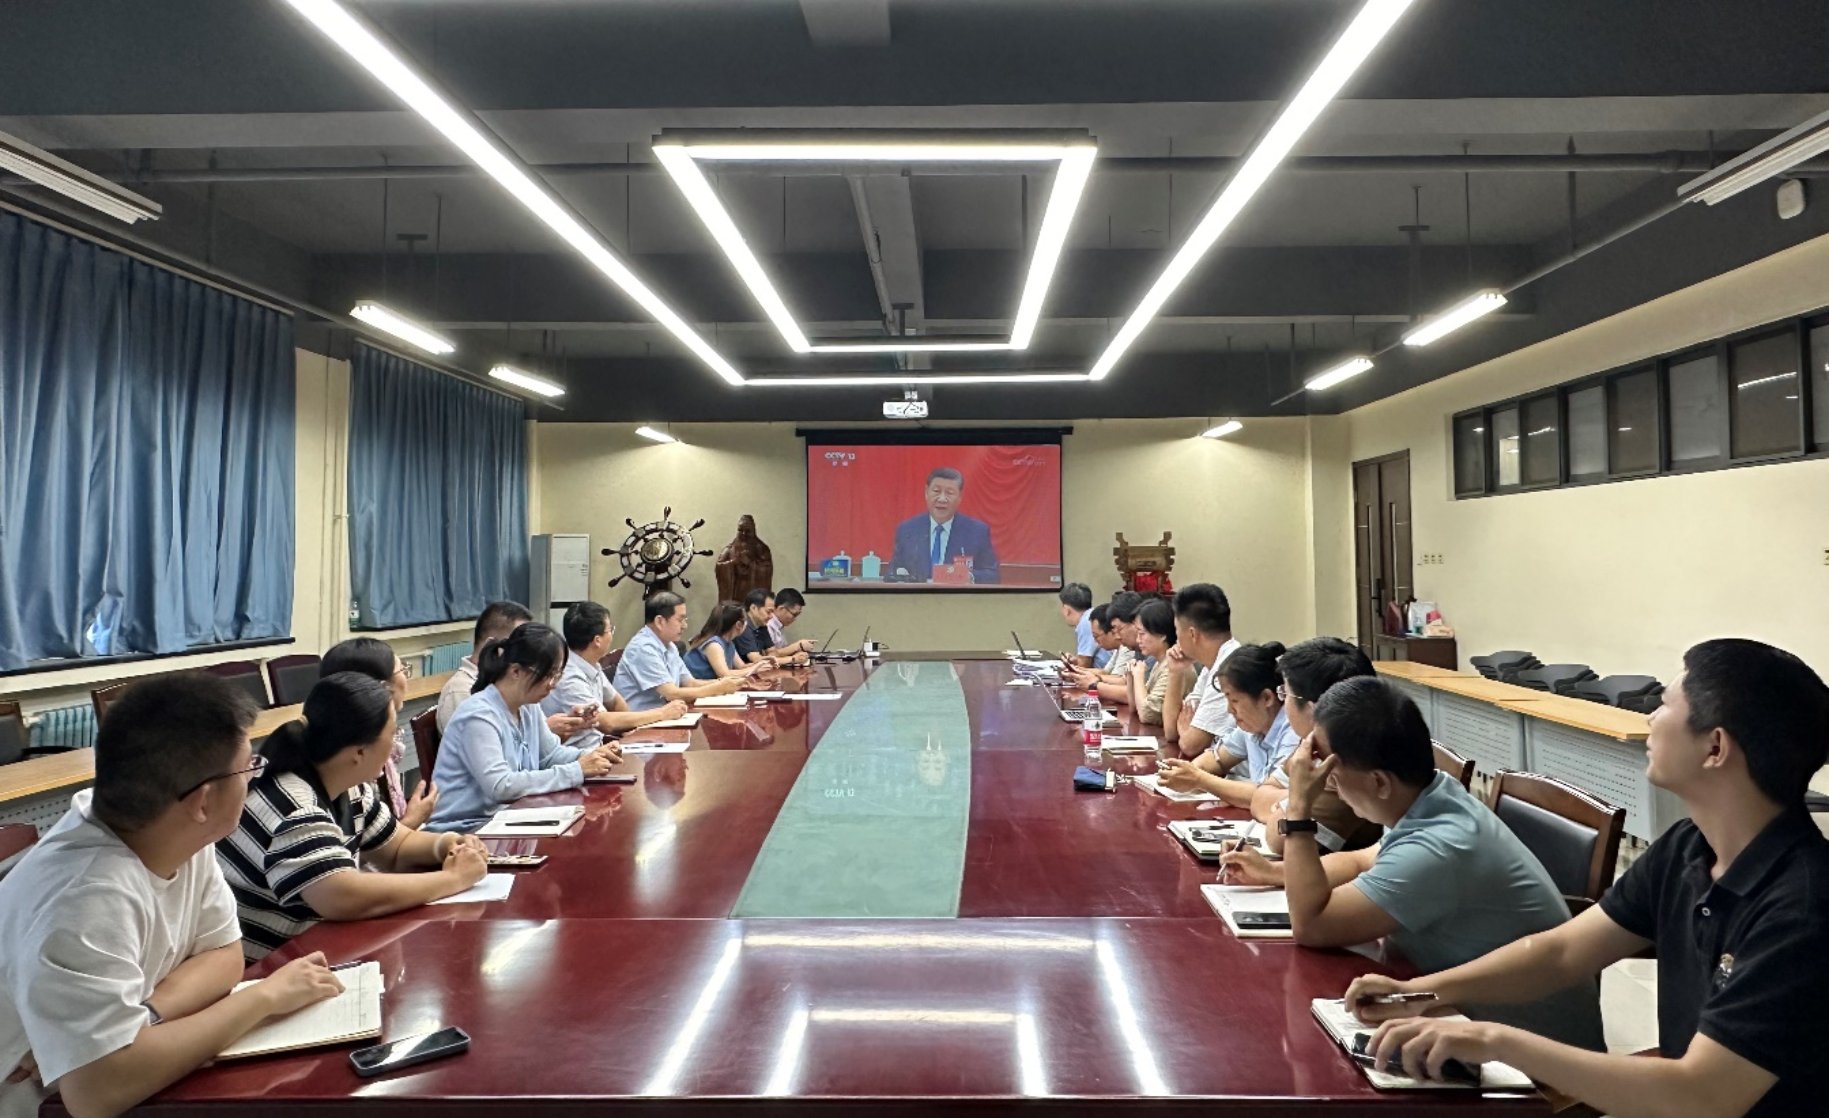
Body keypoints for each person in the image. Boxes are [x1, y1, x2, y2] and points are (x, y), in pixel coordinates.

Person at [1346, 640, 1829, 1115]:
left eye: (1665, 706)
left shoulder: (1801, 909)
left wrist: (1495, 1041)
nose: (1650, 719)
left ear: (1715, 747)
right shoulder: (1688, 847)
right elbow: (1561, 953)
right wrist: (1421, 992)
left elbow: (1701, 1097)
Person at [0, 674, 344, 1118]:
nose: (254, 779)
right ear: (203, 802)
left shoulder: (168, 830)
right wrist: (263, 998)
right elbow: (98, 1092)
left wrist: (143, 1018)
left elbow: (224, 956)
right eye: (248, 768)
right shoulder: (85, 898)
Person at [1226, 676, 1602, 1051]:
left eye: (1330, 771)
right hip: (1462, 1016)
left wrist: (1298, 808)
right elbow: (1361, 861)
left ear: (1379, 783)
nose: (1327, 783)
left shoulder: (1438, 847)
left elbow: (1312, 925)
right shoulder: (1430, 795)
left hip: (1529, 1060)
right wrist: (1276, 871)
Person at [217, 673, 490, 962]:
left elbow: (396, 847)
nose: (395, 745)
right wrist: (453, 878)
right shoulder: (294, 808)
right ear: (359, 752)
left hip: (311, 954)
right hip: (264, 969)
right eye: (392, 734)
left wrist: (449, 845)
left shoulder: (348, 786)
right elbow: (344, 897)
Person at [424, 623, 620, 832]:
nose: (553, 684)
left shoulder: (528, 706)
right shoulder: (478, 715)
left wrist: (592, 756)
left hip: (508, 819)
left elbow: (550, 755)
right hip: (465, 830)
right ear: (515, 671)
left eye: (557, 675)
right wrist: (577, 770)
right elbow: (501, 786)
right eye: (548, 675)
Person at [1256, 638, 1384, 854]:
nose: (1283, 703)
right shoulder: (1314, 745)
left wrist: (1295, 800)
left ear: (1313, 709)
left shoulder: (1348, 762)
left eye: (1285, 693)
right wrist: (1296, 797)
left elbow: (1279, 839)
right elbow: (1260, 797)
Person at [1158, 643, 1296, 808]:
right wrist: (1185, 772)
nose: (1229, 710)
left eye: (1235, 701)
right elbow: (1217, 760)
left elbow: (1270, 796)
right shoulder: (1253, 727)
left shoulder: (1293, 732)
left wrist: (1199, 779)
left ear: (1267, 698)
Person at [318, 637, 437, 829]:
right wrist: (413, 820)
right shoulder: (355, 761)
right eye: (402, 670)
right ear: (382, 688)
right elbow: (366, 844)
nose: (406, 678)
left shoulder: (367, 743)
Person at [540, 601, 689, 750]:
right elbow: (605, 722)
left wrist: (631, 733)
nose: (612, 634)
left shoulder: (590, 663)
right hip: (579, 755)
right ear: (597, 641)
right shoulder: (568, 676)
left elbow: (616, 702)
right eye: (610, 630)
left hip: (599, 749)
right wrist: (662, 713)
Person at [437, 601, 586, 742]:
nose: (531, 652)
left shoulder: (518, 687)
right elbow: (482, 748)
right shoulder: (460, 692)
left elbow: (546, 750)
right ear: (495, 646)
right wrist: (546, 729)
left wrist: (565, 724)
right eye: (522, 644)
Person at [612, 593, 748, 712]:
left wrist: (725, 683)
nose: (685, 626)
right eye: (680, 620)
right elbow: (671, 693)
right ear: (660, 621)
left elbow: (690, 683)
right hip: (641, 723)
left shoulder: (669, 645)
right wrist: (717, 688)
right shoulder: (643, 648)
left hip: (666, 715)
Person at [1167, 583, 1243, 759]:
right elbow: (1171, 732)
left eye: (1177, 631)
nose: (1176, 640)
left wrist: (1186, 731)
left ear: (1192, 634)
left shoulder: (1230, 668)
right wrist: (1175, 672)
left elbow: (1190, 745)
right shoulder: (1212, 664)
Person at [887, 467, 1000, 584]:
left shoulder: (977, 532)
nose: (942, 499)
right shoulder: (907, 530)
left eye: (949, 493)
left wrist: (968, 576)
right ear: (926, 492)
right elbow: (891, 574)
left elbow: (993, 575)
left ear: (960, 497)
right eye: (936, 491)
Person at [1063, 591, 1145, 704]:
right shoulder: (1133, 648)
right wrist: (1079, 673)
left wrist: (1094, 684)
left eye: (1118, 629)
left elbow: (1133, 694)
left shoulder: (1135, 649)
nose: (1117, 636)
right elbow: (1109, 673)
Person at [1128, 599, 1196, 726]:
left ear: (1162, 635)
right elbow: (1134, 707)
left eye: (1142, 634)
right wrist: (1130, 676)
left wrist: (1138, 676)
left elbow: (1147, 715)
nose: (1138, 640)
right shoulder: (1159, 662)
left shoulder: (1174, 664)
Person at [685, 601, 770, 681]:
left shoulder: (729, 642)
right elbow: (724, 674)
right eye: (745, 620)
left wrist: (762, 663)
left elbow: (741, 667)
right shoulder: (714, 645)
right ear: (738, 625)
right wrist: (754, 669)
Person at [732, 588, 783, 665]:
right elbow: (756, 659)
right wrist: (793, 659)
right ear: (753, 608)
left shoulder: (762, 625)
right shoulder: (743, 626)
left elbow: (773, 652)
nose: (771, 616)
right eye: (768, 612)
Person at [766, 588, 817, 658]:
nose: (795, 619)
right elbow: (770, 655)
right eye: (794, 614)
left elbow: (782, 651)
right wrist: (798, 646)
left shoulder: (779, 625)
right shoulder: (768, 624)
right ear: (781, 609)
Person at [1058, 583, 1097, 666]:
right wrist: (1076, 660)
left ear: (1066, 610)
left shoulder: (1086, 622)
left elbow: (1084, 665)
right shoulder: (1092, 615)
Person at [1086, 603, 1120, 670]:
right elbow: (1105, 672)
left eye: (1096, 636)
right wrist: (1076, 669)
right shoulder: (1117, 649)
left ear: (1112, 631)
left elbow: (1116, 675)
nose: (1095, 642)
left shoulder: (1127, 648)